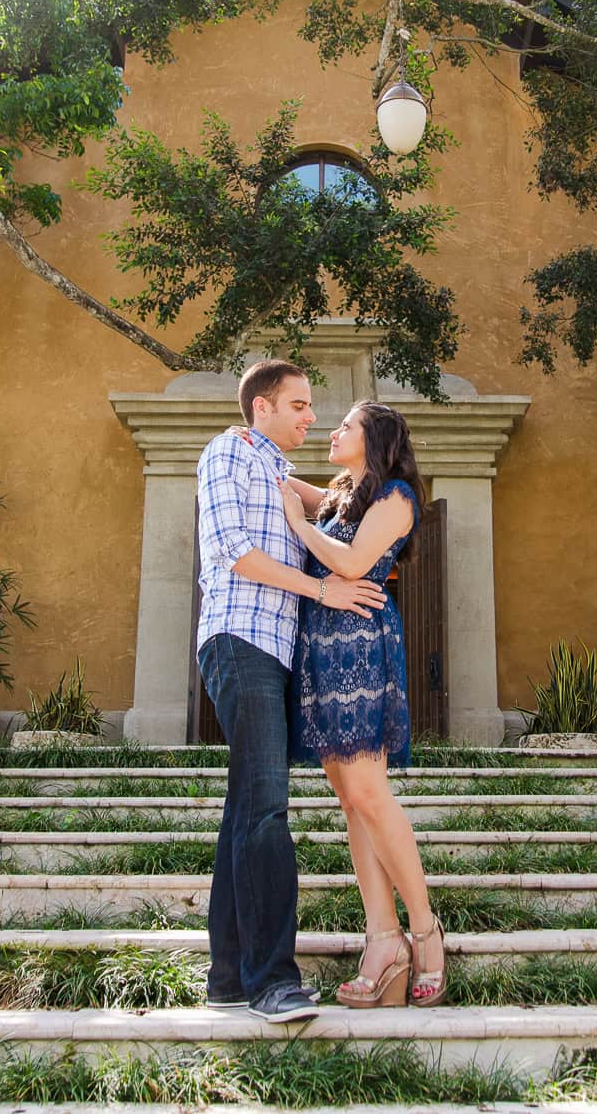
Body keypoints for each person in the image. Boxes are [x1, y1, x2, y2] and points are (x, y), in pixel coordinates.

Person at [194, 360, 386, 1023]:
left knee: (246, 808)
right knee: (267, 808)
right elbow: (233, 549)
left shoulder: (279, 474)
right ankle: (273, 978)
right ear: (261, 408)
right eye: (299, 404)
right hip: (240, 641)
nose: (311, 415)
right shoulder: (230, 451)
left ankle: (227, 975)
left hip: (275, 653)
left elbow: (349, 505)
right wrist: (322, 588)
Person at [277, 400, 447, 1008]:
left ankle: (425, 931)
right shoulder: (346, 494)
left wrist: (297, 523)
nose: (333, 431)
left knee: (370, 793)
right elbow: (291, 484)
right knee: (350, 799)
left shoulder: (396, 497)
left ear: (374, 438)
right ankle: (382, 938)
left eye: (346, 425)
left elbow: (349, 562)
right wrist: (262, 460)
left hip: (360, 647)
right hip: (321, 649)